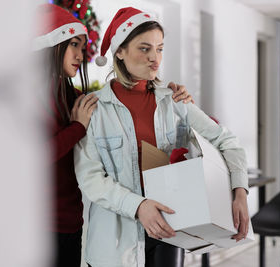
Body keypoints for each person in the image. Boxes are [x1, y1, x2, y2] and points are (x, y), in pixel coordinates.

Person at [74, 7, 250, 267]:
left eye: (159, 49)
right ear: (119, 51)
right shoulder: (95, 109)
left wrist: (240, 192)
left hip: (171, 233)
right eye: (144, 49)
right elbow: (90, 178)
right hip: (114, 246)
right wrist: (138, 206)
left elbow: (227, 142)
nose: (155, 58)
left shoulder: (176, 101)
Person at [33, 4, 194, 267]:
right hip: (38, 224)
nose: (80, 55)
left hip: (72, 221)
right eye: (73, 45)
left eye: (83, 47)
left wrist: (182, 100)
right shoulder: (31, 99)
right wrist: (77, 128)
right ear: (52, 44)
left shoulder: (76, 98)